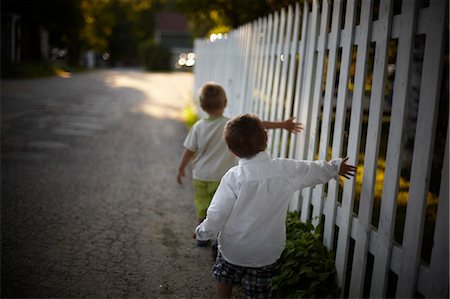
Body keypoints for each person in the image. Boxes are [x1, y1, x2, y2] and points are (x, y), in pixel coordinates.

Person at [194, 114, 357, 298]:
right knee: (258, 290)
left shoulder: (234, 177)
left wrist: (203, 232)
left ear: (232, 151)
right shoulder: (284, 170)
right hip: (265, 252)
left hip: (234, 247)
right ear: (266, 136)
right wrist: (334, 167)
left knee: (225, 276)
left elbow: (217, 212)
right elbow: (312, 169)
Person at [177, 82, 303, 247]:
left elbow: (189, 150)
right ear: (225, 103)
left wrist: (181, 168)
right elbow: (259, 125)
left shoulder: (198, 127)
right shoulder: (230, 125)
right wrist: (283, 125)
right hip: (221, 178)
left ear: (201, 105)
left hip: (201, 176)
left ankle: (204, 235)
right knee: (224, 209)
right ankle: (218, 240)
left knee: (203, 207)